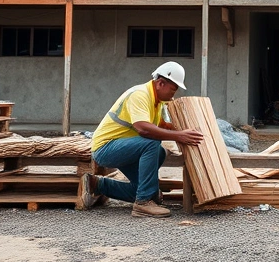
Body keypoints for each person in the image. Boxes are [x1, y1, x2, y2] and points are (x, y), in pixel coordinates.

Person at [81, 61, 204, 218]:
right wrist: (179, 136)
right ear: (161, 83)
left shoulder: (156, 102)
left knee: (158, 156)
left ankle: (97, 184)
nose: (173, 95)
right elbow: (143, 128)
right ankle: (143, 203)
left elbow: (160, 125)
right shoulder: (140, 94)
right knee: (152, 143)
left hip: (122, 148)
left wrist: (183, 129)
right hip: (105, 149)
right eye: (173, 90)